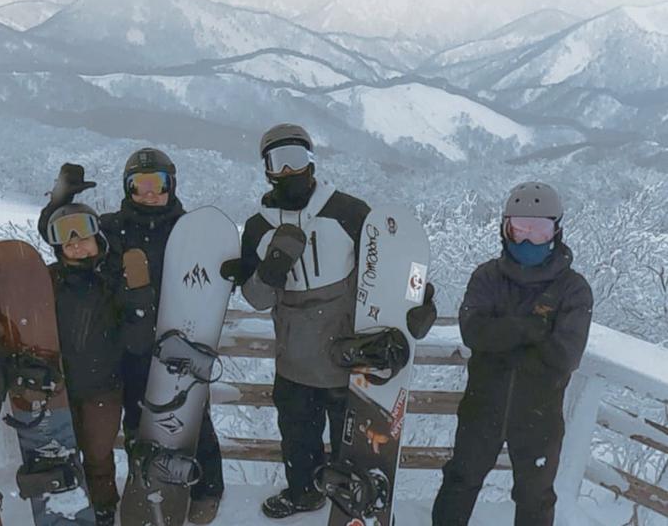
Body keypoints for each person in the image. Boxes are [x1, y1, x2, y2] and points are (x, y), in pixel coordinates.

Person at [221, 124, 436, 519]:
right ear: (266, 170)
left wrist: (418, 297)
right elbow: (255, 299)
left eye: (297, 159)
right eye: (279, 162)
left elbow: (391, 261)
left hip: (347, 352)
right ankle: (303, 492)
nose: (289, 171)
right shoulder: (257, 227)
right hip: (294, 355)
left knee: (348, 438)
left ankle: (349, 499)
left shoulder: (349, 212)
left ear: (312, 161)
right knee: (297, 434)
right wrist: (269, 271)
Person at [39, 153, 225, 523]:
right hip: (126, 340)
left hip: (179, 338)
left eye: (158, 184)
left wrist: (229, 271)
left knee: (191, 415)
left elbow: (216, 265)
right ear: (127, 188)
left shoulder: (188, 230)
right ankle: (146, 490)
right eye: (138, 185)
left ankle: (207, 489)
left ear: (171, 185)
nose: (149, 193)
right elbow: (70, 236)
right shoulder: (111, 227)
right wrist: (56, 204)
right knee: (138, 424)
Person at [431, 182, 594, 526]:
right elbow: (473, 331)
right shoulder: (488, 276)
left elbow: (565, 355)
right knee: (460, 480)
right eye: (519, 229)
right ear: (505, 228)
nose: (527, 240)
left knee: (535, 496)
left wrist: (501, 338)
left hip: (539, 415)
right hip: (482, 407)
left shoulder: (572, 288)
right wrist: (530, 329)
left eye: (539, 231)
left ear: (557, 231)